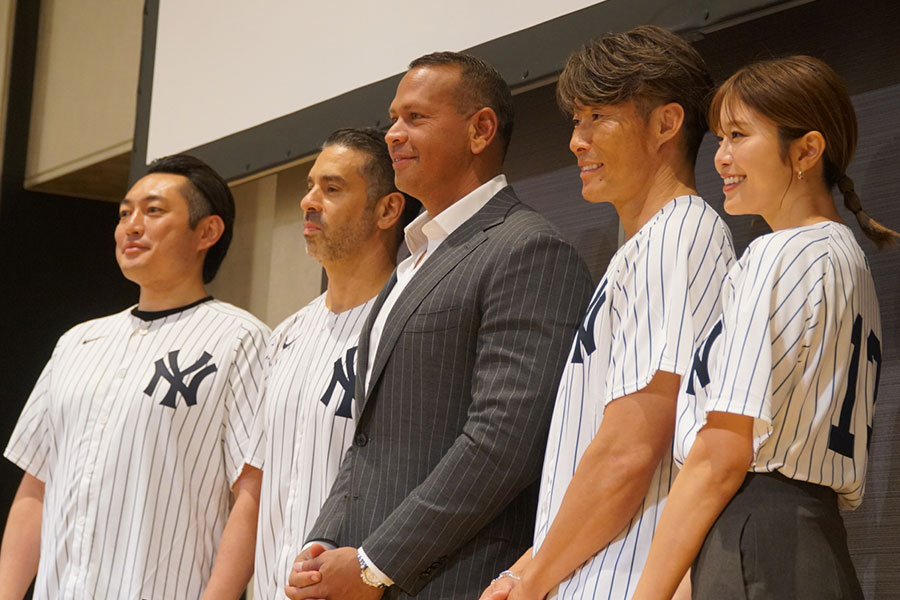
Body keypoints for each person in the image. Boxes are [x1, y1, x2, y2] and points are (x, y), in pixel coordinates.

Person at [285, 51, 594, 600]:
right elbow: (369, 440)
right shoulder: (409, 264)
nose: (393, 135)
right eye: (393, 119)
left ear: (480, 130)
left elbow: (503, 442)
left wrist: (375, 563)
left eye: (415, 118)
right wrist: (325, 540)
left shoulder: (526, 248)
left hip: (458, 581)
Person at [480, 25, 735, 600]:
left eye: (598, 117)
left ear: (667, 123)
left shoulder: (680, 235)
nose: (577, 140)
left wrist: (531, 578)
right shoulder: (645, 246)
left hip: (627, 577)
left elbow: (632, 448)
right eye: (577, 119)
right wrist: (525, 571)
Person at [633, 55, 898, 600]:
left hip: (757, 533)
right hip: (809, 539)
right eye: (719, 138)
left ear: (806, 150)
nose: (722, 157)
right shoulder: (844, 257)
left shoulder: (780, 251)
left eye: (738, 135)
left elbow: (722, 450)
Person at [0, 155, 270, 599]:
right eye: (125, 213)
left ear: (208, 232)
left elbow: (252, 494)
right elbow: (36, 486)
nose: (132, 225)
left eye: (154, 210)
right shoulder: (76, 342)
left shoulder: (241, 339)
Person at [244, 127, 419, 598]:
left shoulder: (413, 325)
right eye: (309, 186)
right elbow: (254, 487)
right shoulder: (284, 335)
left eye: (332, 188)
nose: (309, 201)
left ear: (388, 209)